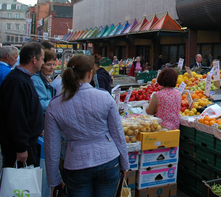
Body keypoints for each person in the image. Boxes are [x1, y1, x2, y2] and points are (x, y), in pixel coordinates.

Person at [44, 55, 129, 196]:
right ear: (90, 73)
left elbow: (51, 146)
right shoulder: (105, 97)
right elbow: (118, 133)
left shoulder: (55, 105)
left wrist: (54, 180)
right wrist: (125, 163)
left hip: (76, 163)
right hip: (108, 160)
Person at [0, 42, 44, 167]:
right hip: (20, 148)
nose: (43, 62)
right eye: (42, 59)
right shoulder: (17, 81)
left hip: (27, 143)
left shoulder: (22, 78)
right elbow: (16, 117)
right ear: (34, 60)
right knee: (21, 185)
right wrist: (21, 147)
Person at [31, 49, 57, 118]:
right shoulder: (36, 80)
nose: (52, 68)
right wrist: (58, 102)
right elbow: (40, 104)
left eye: (53, 64)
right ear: (41, 64)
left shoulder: (45, 78)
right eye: (48, 65)